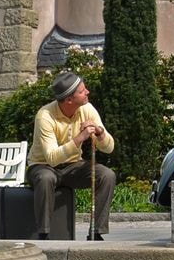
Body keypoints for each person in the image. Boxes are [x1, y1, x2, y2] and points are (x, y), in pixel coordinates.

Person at [26, 71, 115, 240]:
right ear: (69, 100)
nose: (87, 92)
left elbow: (109, 148)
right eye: (82, 91)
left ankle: (96, 232)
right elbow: (52, 158)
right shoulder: (45, 115)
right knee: (46, 178)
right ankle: (43, 233)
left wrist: (100, 132)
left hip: (73, 166)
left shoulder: (87, 108)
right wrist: (80, 138)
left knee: (106, 175)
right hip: (42, 166)